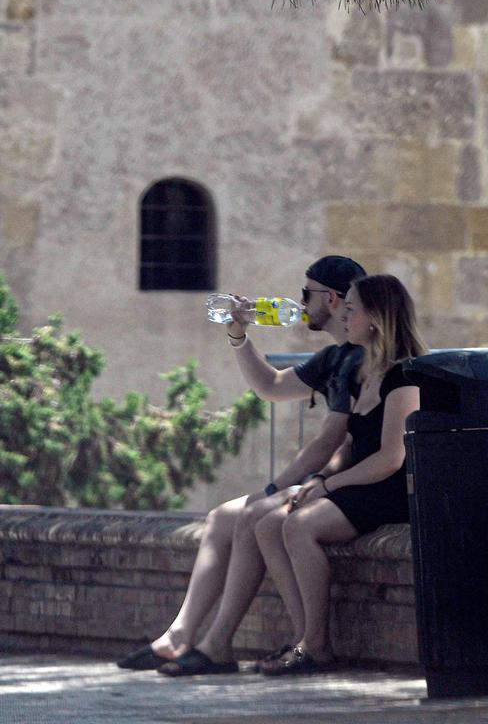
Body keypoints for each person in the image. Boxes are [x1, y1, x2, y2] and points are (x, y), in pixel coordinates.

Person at [116, 255, 366, 676]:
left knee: (254, 514)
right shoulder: (335, 356)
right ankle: (179, 637)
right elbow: (271, 385)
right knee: (220, 517)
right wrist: (238, 335)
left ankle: (219, 644)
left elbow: (328, 442)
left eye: (306, 294)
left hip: (348, 482)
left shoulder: (359, 358)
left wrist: (273, 490)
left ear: (332, 298)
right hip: (329, 480)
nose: (300, 302)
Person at [253, 274, 427, 675]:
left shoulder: (406, 376)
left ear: (377, 318)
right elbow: (349, 447)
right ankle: (304, 639)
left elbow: (389, 458)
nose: (341, 315)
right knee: (268, 525)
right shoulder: (360, 370)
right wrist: (316, 480)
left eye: (350, 308)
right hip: (357, 483)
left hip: (391, 489)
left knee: (298, 527)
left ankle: (316, 646)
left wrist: (329, 486)